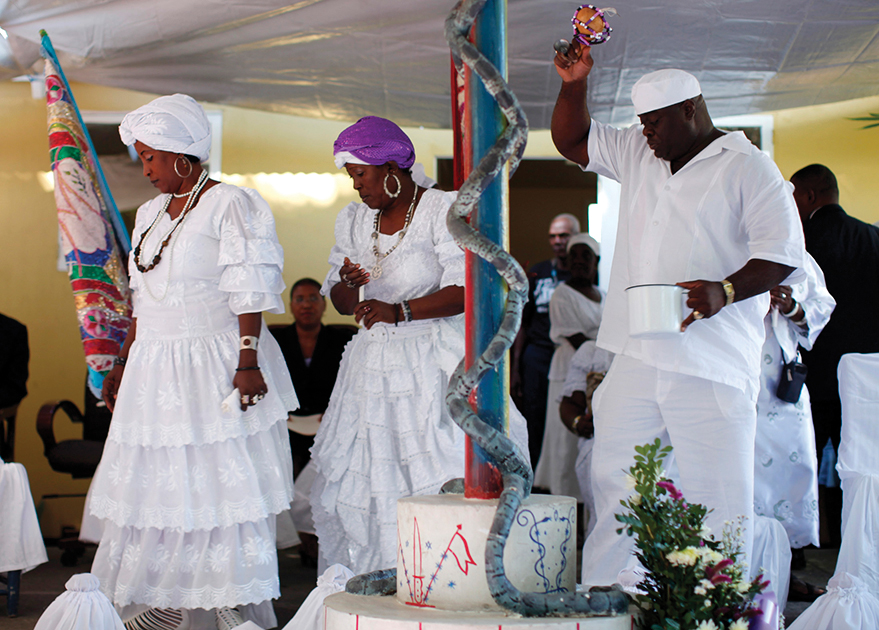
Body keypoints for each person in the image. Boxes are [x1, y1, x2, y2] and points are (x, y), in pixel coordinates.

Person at [551, 45, 806, 586]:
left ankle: (718, 608)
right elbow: (571, 140)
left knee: (716, 496)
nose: (646, 134)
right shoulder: (640, 155)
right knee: (617, 479)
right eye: (641, 123)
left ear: (690, 109)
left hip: (709, 361)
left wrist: (727, 289)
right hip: (637, 352)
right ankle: (608, 598)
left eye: (656, 122)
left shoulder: (749, 167)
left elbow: (782, 252)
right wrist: (574, 83)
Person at [86, 94, 299, 630]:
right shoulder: (150, 214)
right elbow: (143, 295)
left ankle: (225, 596)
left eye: (149, 157)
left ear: (181, 153)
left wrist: (248, 360)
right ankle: (162, 598)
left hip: (215, 362)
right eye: (141, 157)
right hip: (154, 366)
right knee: (157, 483)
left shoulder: (231, 203)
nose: (145, 168)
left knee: (215, 481)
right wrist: (122, 361)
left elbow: (247, 291)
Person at [310, 116, 528, 576]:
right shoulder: (352, 220)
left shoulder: (442, 210)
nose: (356, 187)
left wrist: (400, 311)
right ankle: (381, 579)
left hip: (432, 359)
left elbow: (467, 289)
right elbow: (342, 300)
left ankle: (447, 577)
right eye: (351, 177)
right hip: (372, 367)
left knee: (437, 465)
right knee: (370, 477)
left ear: (390, 167)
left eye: (361, 175)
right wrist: (349, 286)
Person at [790, 164, 879, 546]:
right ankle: (860, 545)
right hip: (865, 378)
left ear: (810, 196)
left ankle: (801, 548)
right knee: (860, 465)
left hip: (813, 374)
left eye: (794, 195)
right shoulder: (874, 238)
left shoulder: (799, 243)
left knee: (802, 462)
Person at [752, 254, 834, 600]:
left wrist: (791, 306)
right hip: (742, 378)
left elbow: (822, 305)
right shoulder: (733, 245)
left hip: (784, 387)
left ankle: (783, 576)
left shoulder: (799, 257)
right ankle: (739, 574)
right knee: (746, 479)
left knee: (790, 473)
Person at [534, 233, 603, 500]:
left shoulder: (604, 295)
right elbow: (578, 340)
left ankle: (586, 502)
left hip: (598, 373)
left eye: (585, 255)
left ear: (596, 261)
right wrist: (605, 353)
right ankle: (564, 500)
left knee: (588, 438)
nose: (578, 261)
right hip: (570, 368)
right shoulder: (562, 294)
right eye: (573, 256)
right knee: (565, 439)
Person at [511, 213, 580, 465]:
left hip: (569, 355)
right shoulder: (538, 272)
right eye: (553, 236)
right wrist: (516, 368)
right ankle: (533, 476)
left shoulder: (585, 274)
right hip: (537, 356)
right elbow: (522, 323)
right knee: (534, 416)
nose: (558, 241)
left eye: (564, 235)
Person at [270, 278, 355, 477]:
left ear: (324, 304)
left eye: (313, 298)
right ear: (290, 305)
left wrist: (335, 412)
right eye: (299, 299)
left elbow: (352, 383)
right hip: (287, 421)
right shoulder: (275, 340)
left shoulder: (343, 339)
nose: (307, 304)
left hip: (329, 421)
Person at [558, 340, 613, 538]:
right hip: (597, 443)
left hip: (646, 446)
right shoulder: (591, 351)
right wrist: (579, 422)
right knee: (604, 520)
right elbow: (569, 405)